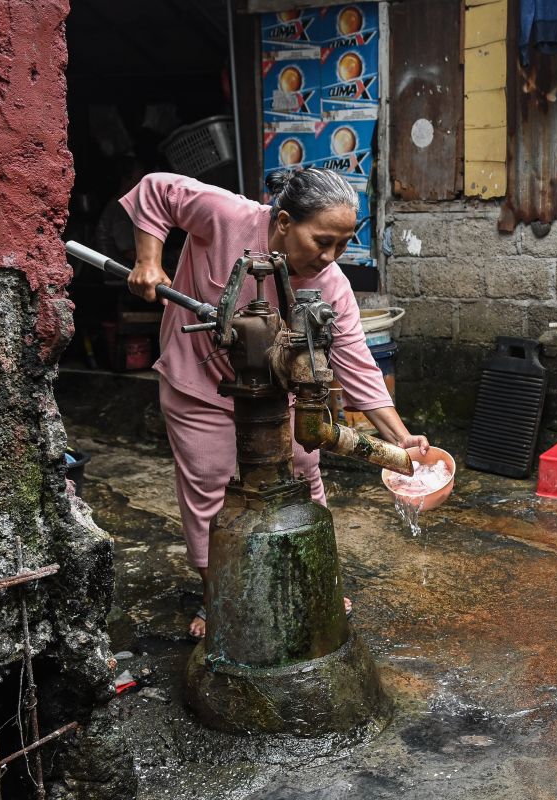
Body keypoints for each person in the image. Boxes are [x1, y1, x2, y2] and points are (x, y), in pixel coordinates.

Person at [121, 168, 429, 638]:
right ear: (284, 221)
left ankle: (311, 580)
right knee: (211, 484)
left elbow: (359, 367)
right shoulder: (227, 216)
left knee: (305, 471)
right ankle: (220, 597)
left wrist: (402, 439)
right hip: (200, 378)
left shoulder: (331, 287)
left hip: (275, 391)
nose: (330, 258)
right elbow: (156, 189)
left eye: (343, 245)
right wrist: (149, 260)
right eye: (322, 241)